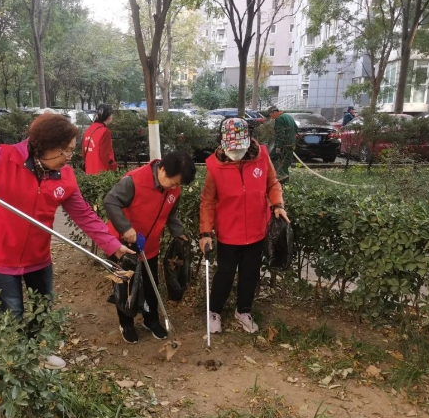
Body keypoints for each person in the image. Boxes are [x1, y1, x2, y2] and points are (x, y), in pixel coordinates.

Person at [0, 113, 133, 369]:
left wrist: (113, 246)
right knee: (12, 312)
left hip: (38, 254)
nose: (68, 158)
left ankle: (37, 351)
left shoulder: (64, 176)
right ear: (45, 147)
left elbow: (84, 214)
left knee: (43, 306)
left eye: (71, 152)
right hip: (0, 253)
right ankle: (16, 365)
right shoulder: (2, 158)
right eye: (65, 151)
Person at [199, 118, 289, 335]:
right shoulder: (214, 165)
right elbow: (208, 201)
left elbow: (273, 183)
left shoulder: (261, 157)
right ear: (223, 143)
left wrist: (277, 204)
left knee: (250, 273)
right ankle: (214, 311)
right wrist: (205, 232)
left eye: (240, 148)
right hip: (229, 231)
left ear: (248, 141)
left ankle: (244, 310)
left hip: (257, 229)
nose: (236, 152)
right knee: (225, 273)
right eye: (232, 148)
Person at [104, 151, 197, 344]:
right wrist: (125, 228)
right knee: (125, 287)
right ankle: (126, 323)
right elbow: (110, 201)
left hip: (149, 246)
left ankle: (151, 319)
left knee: (150, 285)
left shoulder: (173, 190)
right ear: (162, 169)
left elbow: (171, 215)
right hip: (123, 246)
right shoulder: (134, 181)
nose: (175, 186)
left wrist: (178, 232)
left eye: (178, 184)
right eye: (174, 181)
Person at [82, 103, 118, 174]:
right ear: (109, 116)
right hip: (101, 173)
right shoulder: (105, 131)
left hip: (89, 170)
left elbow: (83, 152)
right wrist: (114, 167)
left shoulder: (89, 129)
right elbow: (106, 155)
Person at [266, 106, 297, 183]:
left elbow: (281, 135)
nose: (272, 118)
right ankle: (286, 181)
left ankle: (282, 177)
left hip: (283, 145)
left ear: (274, 112)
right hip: (291, 144)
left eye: (271, 115)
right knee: (285, 163)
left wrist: (278, 148)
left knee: (271, 159)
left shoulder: (279, 119)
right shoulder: (288, 116)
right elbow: (296, 128)